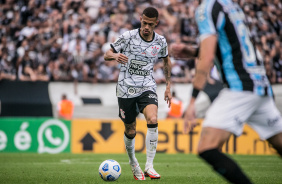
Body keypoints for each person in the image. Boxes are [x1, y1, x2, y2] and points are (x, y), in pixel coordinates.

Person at [183, 0, 282, 184]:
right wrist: (191, 51)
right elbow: (231, 47)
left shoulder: (206, 8)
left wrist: (192, 101)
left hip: (240, 87)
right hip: (260, 84)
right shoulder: (230, 5)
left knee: (207, 147)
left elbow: (208, 57)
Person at [104, 7, 172, 180]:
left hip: (146, 86)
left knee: (153, 119)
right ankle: (133, 162)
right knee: (131, 129)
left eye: (150, 24)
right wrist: (115, 56)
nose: (146, 27)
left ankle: (149, 165)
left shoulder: (161, 41)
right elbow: (107, 54)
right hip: (125, 89)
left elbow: (166, 61)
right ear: (140, 19)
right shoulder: (128, 37)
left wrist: (168, 86)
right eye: (144, 23)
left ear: (156, 23)